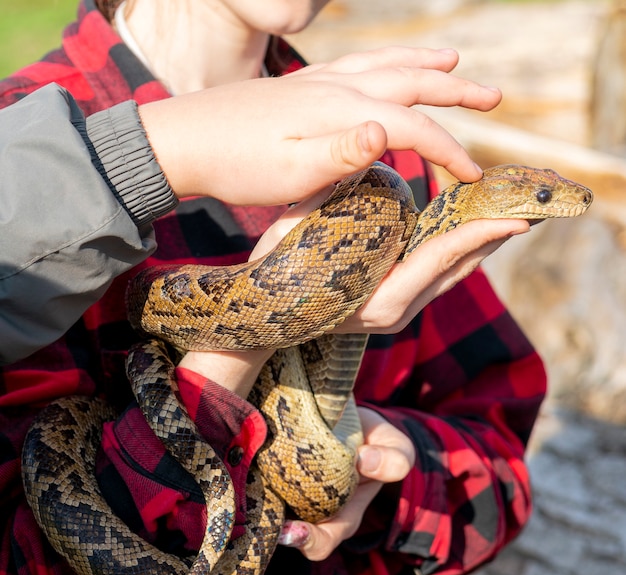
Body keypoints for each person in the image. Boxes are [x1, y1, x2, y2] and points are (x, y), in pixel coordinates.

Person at [0, 2, 545, 575]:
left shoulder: (393, 154)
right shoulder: (27, 165)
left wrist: (389, 476)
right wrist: (240, 348)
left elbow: (501, 468)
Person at [1, 58, 494, 366]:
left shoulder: (385, 141)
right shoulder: (19, 115)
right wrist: (149, 153)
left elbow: (490, 415)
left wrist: (393, 462)